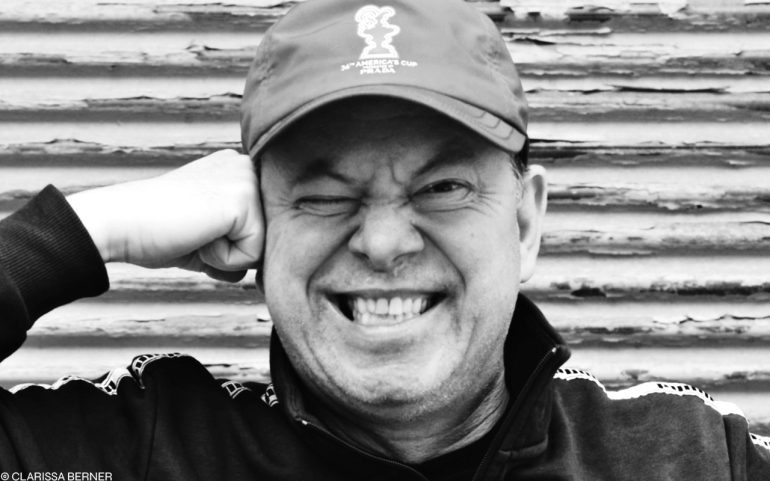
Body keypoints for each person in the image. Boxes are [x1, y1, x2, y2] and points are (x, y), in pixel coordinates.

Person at [0, 0, 768, 479]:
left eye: (441, 187)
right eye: (325, 194)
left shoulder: (693, 458)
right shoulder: (143, 448)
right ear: (256, 222)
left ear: (525, 222)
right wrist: (99, 227)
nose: (383, 241)